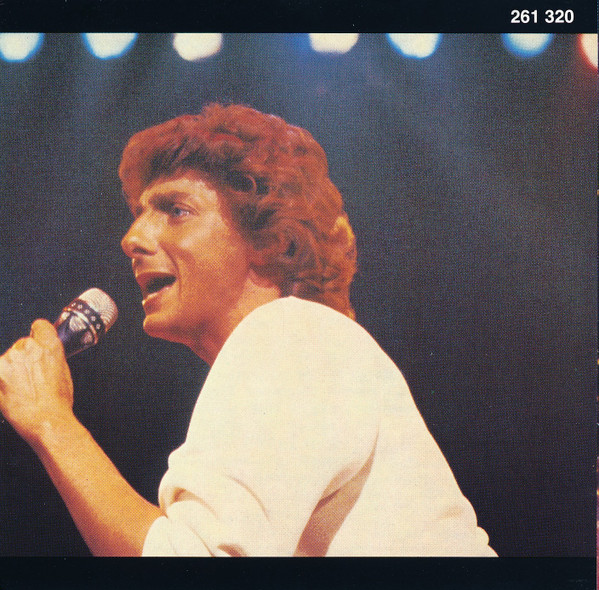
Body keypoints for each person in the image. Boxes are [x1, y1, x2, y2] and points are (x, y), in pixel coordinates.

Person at [0, 103, 496, 556]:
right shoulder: (305, 348)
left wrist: (49, 420)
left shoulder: (290, 332)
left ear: (268, 240)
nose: (133, 238)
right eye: (139, 215)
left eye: (176, 211)